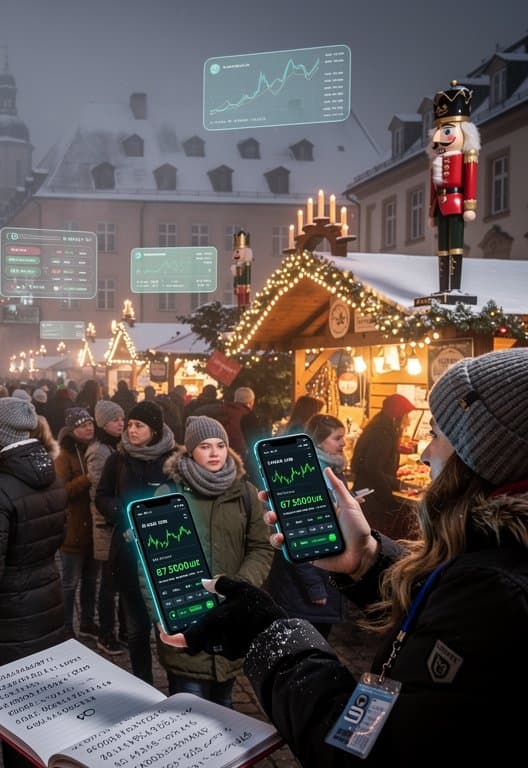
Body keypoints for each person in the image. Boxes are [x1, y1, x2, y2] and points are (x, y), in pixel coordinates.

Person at [160, 347, 528, 766]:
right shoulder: (494, 559)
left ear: (483, 454)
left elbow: (367, 752)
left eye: (437, 434)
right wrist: (369, 560)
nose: (425, 454)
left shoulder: (498, 590)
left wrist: (268, 633)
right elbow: (439, 614)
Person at [0, 396, 67, 768]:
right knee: (36, 719)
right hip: (45, 608)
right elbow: (44, 537)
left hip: (7, 617)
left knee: (14, 730)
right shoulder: (51, 472)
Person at [154, 416, 274, 708]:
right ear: (190, 450)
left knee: (224, 706)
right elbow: (150, 569)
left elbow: (261, 547)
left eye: (220, 445)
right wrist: (163, 616)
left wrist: (237, 588)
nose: (214, 452)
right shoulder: (167, 495)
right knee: (190, 716)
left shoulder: (245, 493)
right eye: (205, 446)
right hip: (187, 622)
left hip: (230, 623)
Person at [95, 400, 178, 684]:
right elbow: (102, 496)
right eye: (129, 425)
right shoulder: (117, 459)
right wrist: (121, 511)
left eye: (138, 425)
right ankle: (143, 683)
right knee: (135, 627)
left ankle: (177, 684)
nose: (130, 430)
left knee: (166, 628)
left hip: (164, 554)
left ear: (154, 430)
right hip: (128, 554)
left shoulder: (173, 459)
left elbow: (182, 500)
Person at [263, 413, 348, 641]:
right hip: (303, 588)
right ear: (319, 441)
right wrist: (314, 586)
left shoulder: (335, 473)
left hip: (326, 576)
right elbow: (297, 534)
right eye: (337, 438)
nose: (343, 443)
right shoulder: (304, 473)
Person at [428, 81, 479, 295]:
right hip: (441, 204)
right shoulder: (436, 159)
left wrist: (470, 205)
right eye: (440, 130)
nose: (441, 135)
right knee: (442, 247)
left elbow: (471, 179)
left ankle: (455, 288)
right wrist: (432, 211)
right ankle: (443, 287)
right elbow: (433, 186)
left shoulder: (466, 155)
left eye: (446, 130)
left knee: (455, 245)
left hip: (457, 202)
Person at [85, 400, 126, 656]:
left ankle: (123, 629)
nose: (121, 424)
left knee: (122, 581)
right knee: (108, 584)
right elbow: (99, 491)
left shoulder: (117, 447)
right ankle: (106, 633)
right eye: (115, 420)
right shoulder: (99, 451)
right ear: (103, 423)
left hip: (118, 523)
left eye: (122, 419)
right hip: (106, 525)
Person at [54, 407, 99, 639]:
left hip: (94, 528)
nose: (89, 428)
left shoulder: (95, 450)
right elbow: (61, 492)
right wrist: (87, 479)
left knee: (91, 580)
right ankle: (65, 626)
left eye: (90, 423)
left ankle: (88, 623)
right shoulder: (64, 455)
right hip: (73, 528)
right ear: (73, 430)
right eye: (83, 425)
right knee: (70, 582)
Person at [351, 393, 416, 539]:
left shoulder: (379, 428)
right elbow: (373, 468)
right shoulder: (382, 434)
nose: (409, 421)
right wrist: (393, 491)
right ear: (398, 415)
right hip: (372, 498)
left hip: (368, 492)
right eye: (407, 415)